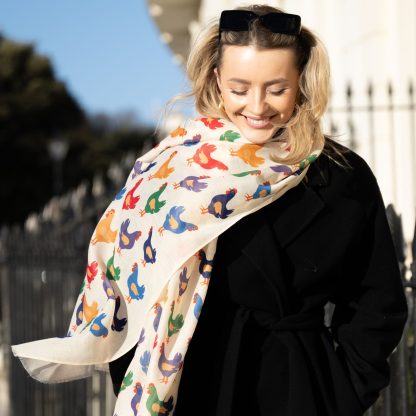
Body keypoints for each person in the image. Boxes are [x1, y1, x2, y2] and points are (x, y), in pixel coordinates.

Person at [12, 4, 407, 416]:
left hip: (301, 390)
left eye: (277, 89)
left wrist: (343, 390)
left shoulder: (340, 176)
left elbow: (376, 300)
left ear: (302, 80)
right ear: (216, 81)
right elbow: (127, 288)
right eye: (240, 89)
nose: (258, 106)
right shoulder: (171, 170)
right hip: (196, 390)